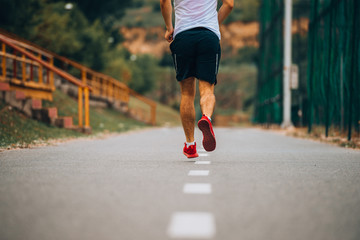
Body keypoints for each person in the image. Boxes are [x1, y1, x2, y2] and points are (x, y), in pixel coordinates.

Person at [160, 0, 234, 158]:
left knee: (187, 93)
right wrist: (214, 22)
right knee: (207, 89)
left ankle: (190, 145)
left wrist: (169, 28)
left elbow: (164, 2)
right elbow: (229, 4)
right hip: (208, 35)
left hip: (183, 36)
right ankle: (206, 117)